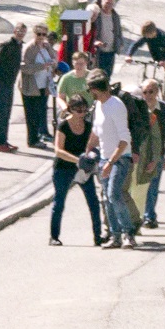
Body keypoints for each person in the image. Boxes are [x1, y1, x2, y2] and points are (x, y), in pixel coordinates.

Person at [86, 70, 137, 247]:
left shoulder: (116, 106)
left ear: (96, 90)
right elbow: (96, 130)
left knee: (114, 194)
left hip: (120, 157)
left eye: (91, 90)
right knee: (107, 198)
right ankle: (115, 236)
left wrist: (110, 162)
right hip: (104, 157)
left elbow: (125, 138)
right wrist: (88, 150)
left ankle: (128, 233)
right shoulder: (99, 106)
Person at [47, 93, 101, 246]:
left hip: (83, 170)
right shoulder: (63, 125)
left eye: (84, 110)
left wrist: (92, 156)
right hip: (63, 168)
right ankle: (54, 236)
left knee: (93, 202)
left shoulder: (89, 126)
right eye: (78, 110)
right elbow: (58, 150)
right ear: (70, 109)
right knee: (59, 203)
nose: (82, 114)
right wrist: (78, 160)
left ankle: (98, 236)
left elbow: (94, 145)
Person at [133, 77, 165, 229]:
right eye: (145, 92)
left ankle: (149, 216)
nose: (148, 95)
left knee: (152, 186)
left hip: (157, 153)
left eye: (151, 91)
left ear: (157, 92)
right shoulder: (135, 109)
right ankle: (137, 216)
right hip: (138, 155)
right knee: (138, 187)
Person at [0, 24, 27, 153]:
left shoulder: (20, 46)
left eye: (23, 32)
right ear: (15, 31)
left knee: (7, 112)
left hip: (9, 84)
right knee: (2, 112)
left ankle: (4, 141)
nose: (21, 34)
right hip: (1, 84)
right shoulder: (7, 46)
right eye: (19, 31)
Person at [21, 26, 59, 147]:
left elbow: (54, 59)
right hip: (32, 87)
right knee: (31, 115)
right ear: (34, 34)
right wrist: (42, 66)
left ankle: (39, 136)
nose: (41, 37)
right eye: (39, 34)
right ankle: (32, 140)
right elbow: (24, 67)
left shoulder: (47, 46)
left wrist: (53, 65)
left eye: (44, 34)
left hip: (44, 85)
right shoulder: (29, 48)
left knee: (40, 113)